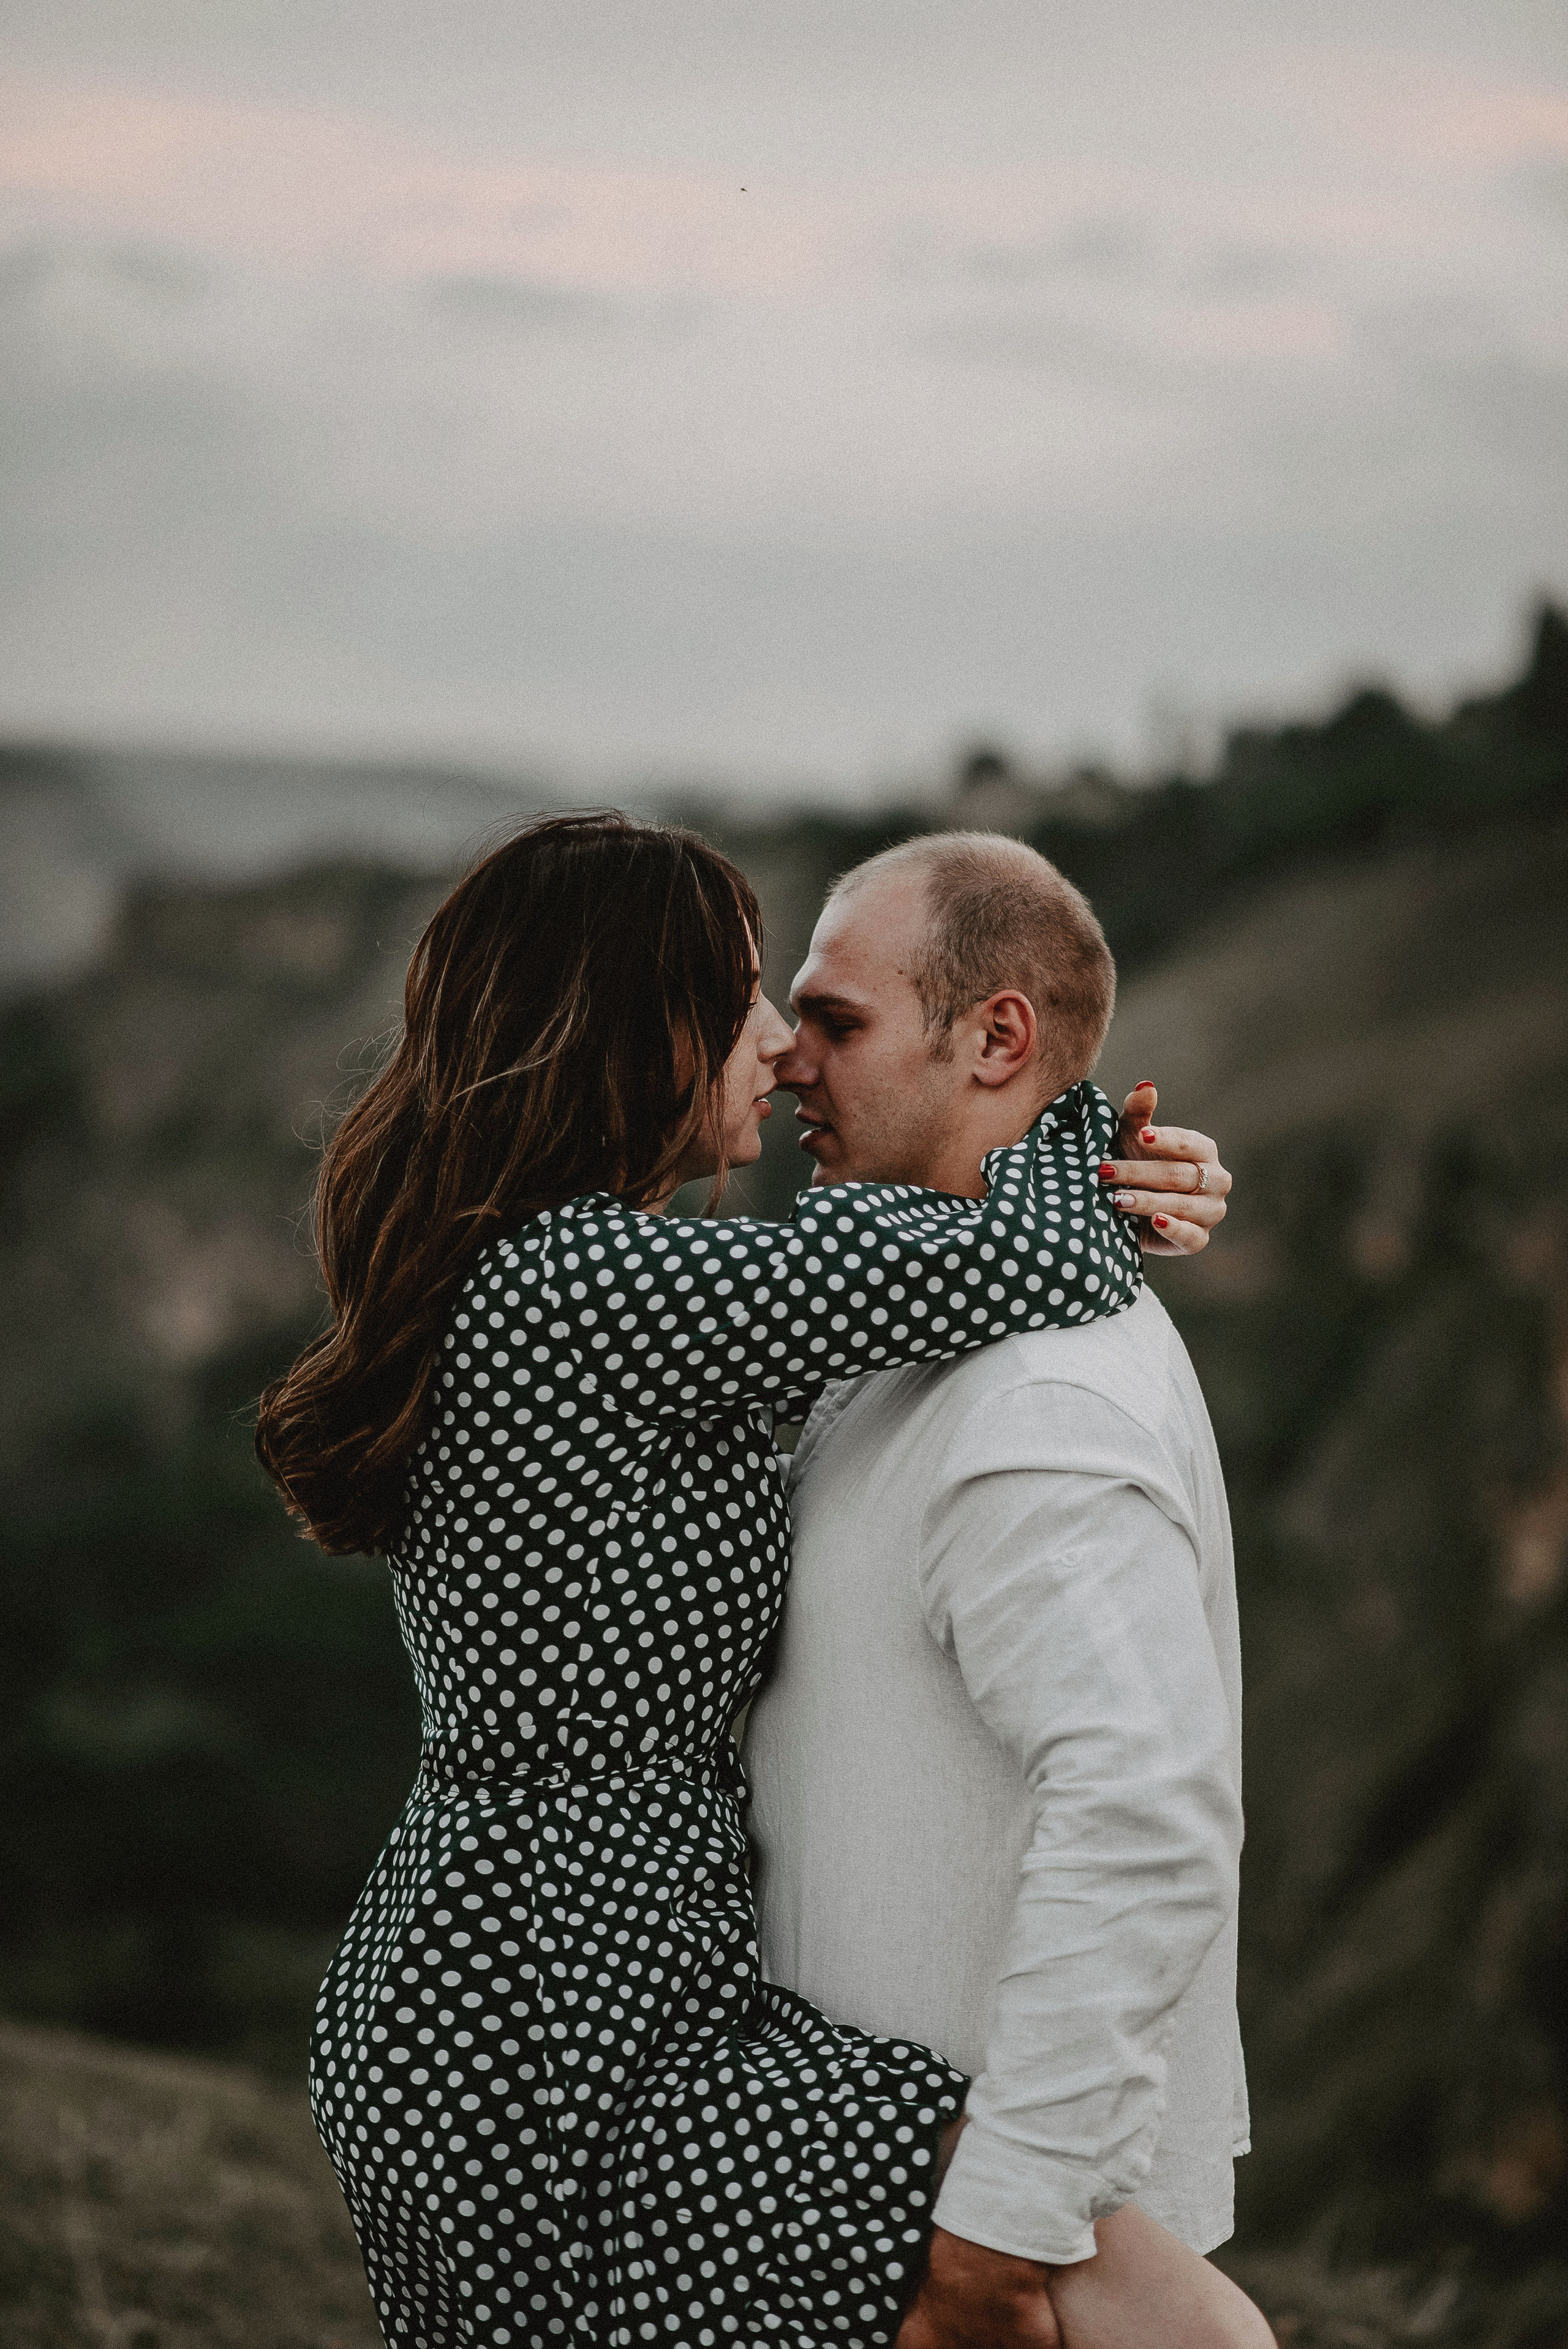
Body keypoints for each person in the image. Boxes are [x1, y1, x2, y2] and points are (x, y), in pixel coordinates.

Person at [254, 811, 1224, 2349]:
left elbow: (918, 1276)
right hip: (541, 2022)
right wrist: (1065, 1138)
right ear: (638, 1032)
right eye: (745, 1003)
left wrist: (1097, 1172)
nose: (777, 1048)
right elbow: (999, 1269)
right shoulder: (580, 1282)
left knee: (1116, 2306)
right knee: (1134, 2312)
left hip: (565, 1991)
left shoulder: (582, 1280)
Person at [744, 833, 1272, 2349]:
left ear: (994, 1039)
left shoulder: (1035, 1400)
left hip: (1002, 2251)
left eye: (835, 1022)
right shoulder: (928, 1320)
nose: (787, 1063)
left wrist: (999, 2228)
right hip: (871, 2189)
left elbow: (1146, 1807)